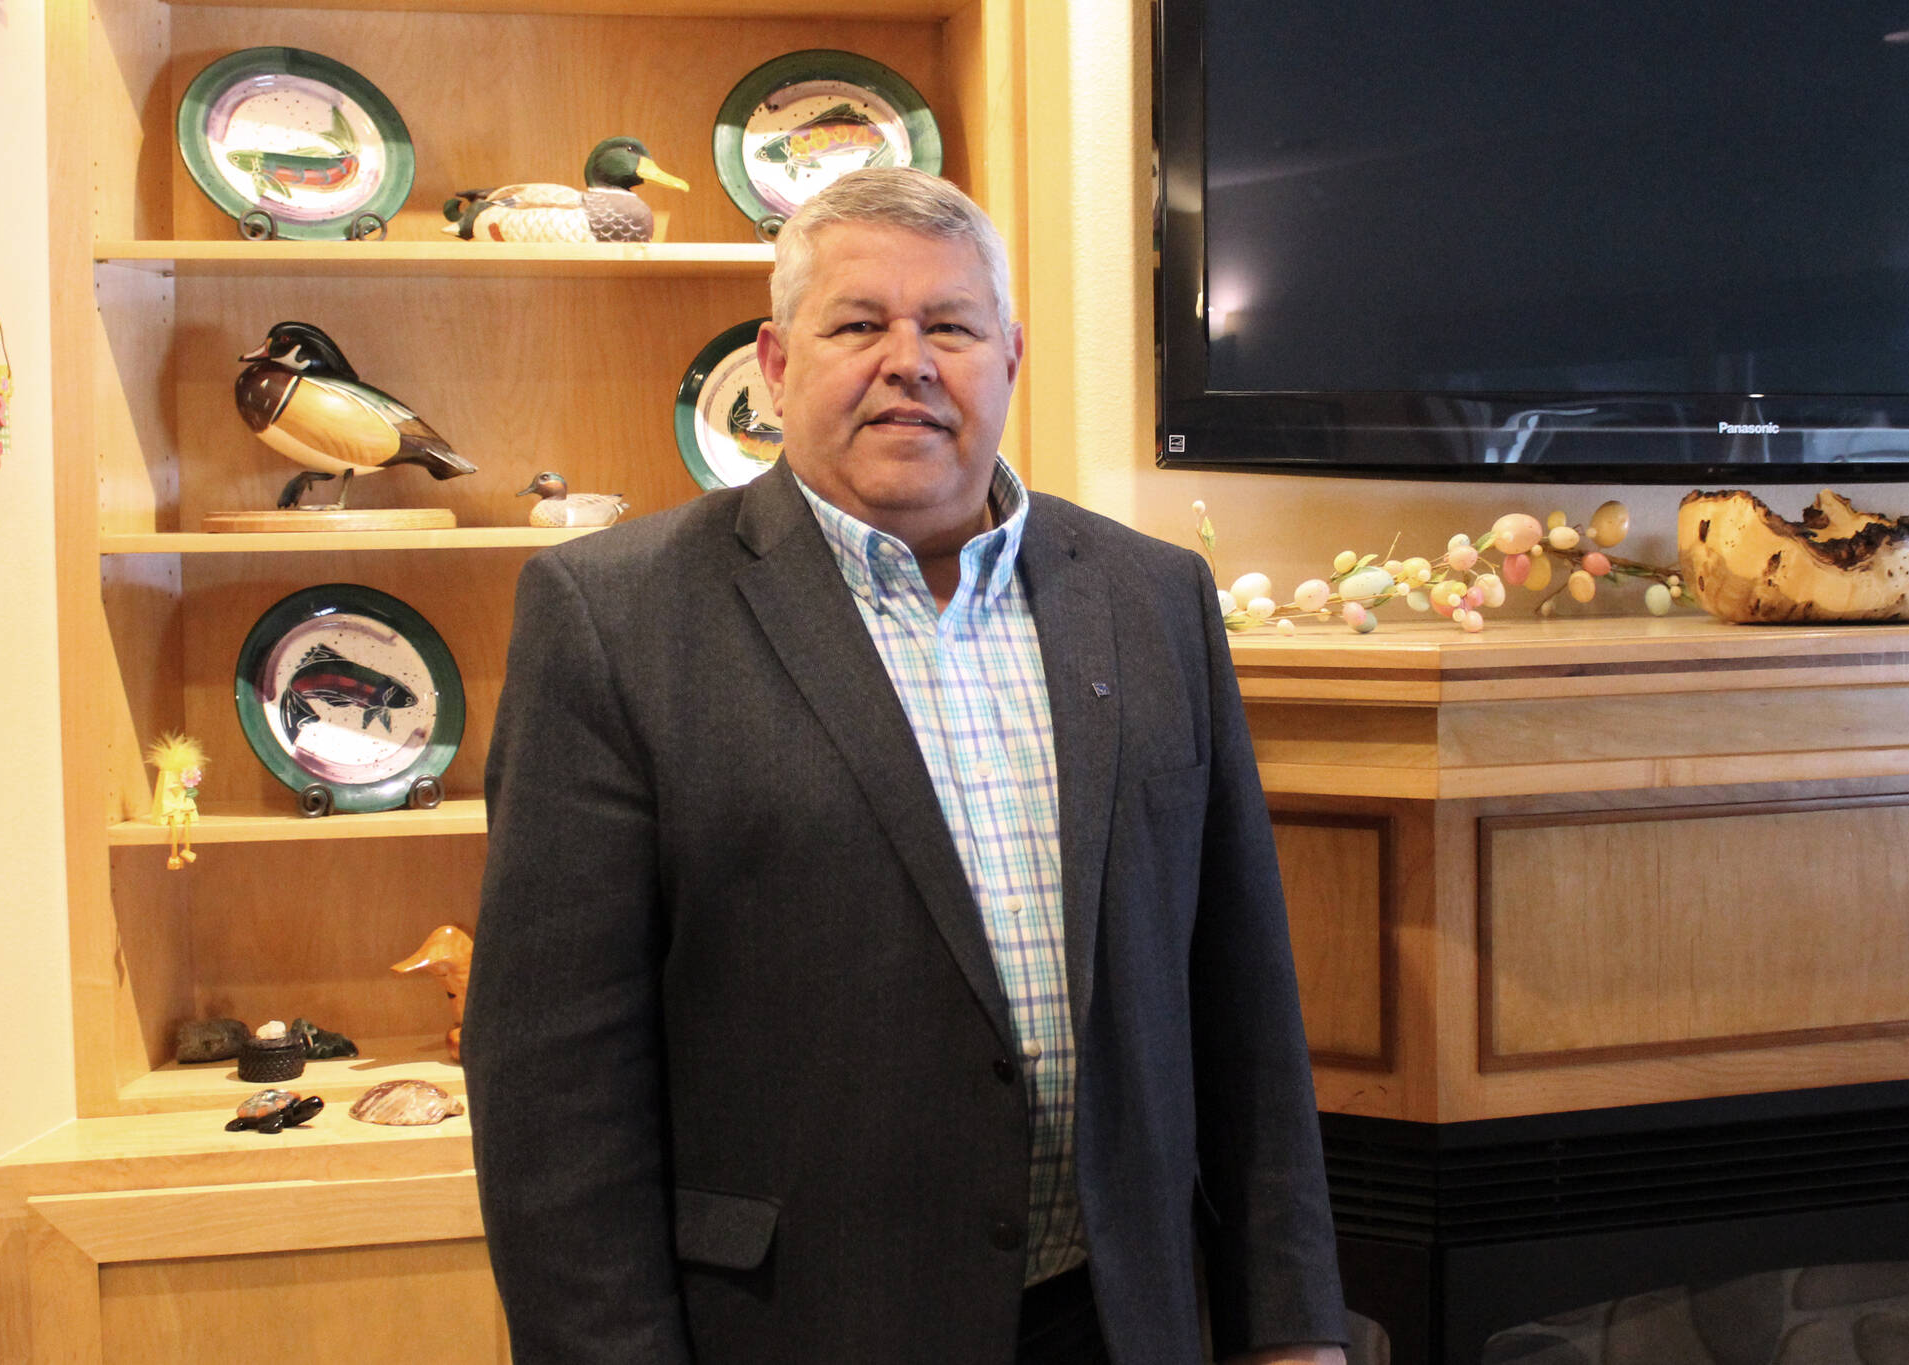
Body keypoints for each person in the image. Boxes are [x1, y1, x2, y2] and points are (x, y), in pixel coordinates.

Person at [465, 167, 1347, 1365]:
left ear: (1008, 356)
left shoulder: (1150, 597)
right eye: (857, 325)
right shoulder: (610, 617)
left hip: (1121, 1319)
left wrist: (1288, 1328)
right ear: (775, 367)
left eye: (949, 326)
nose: (909, 361)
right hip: (796, 1330)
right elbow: (552, 1093)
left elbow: (1241, 998)